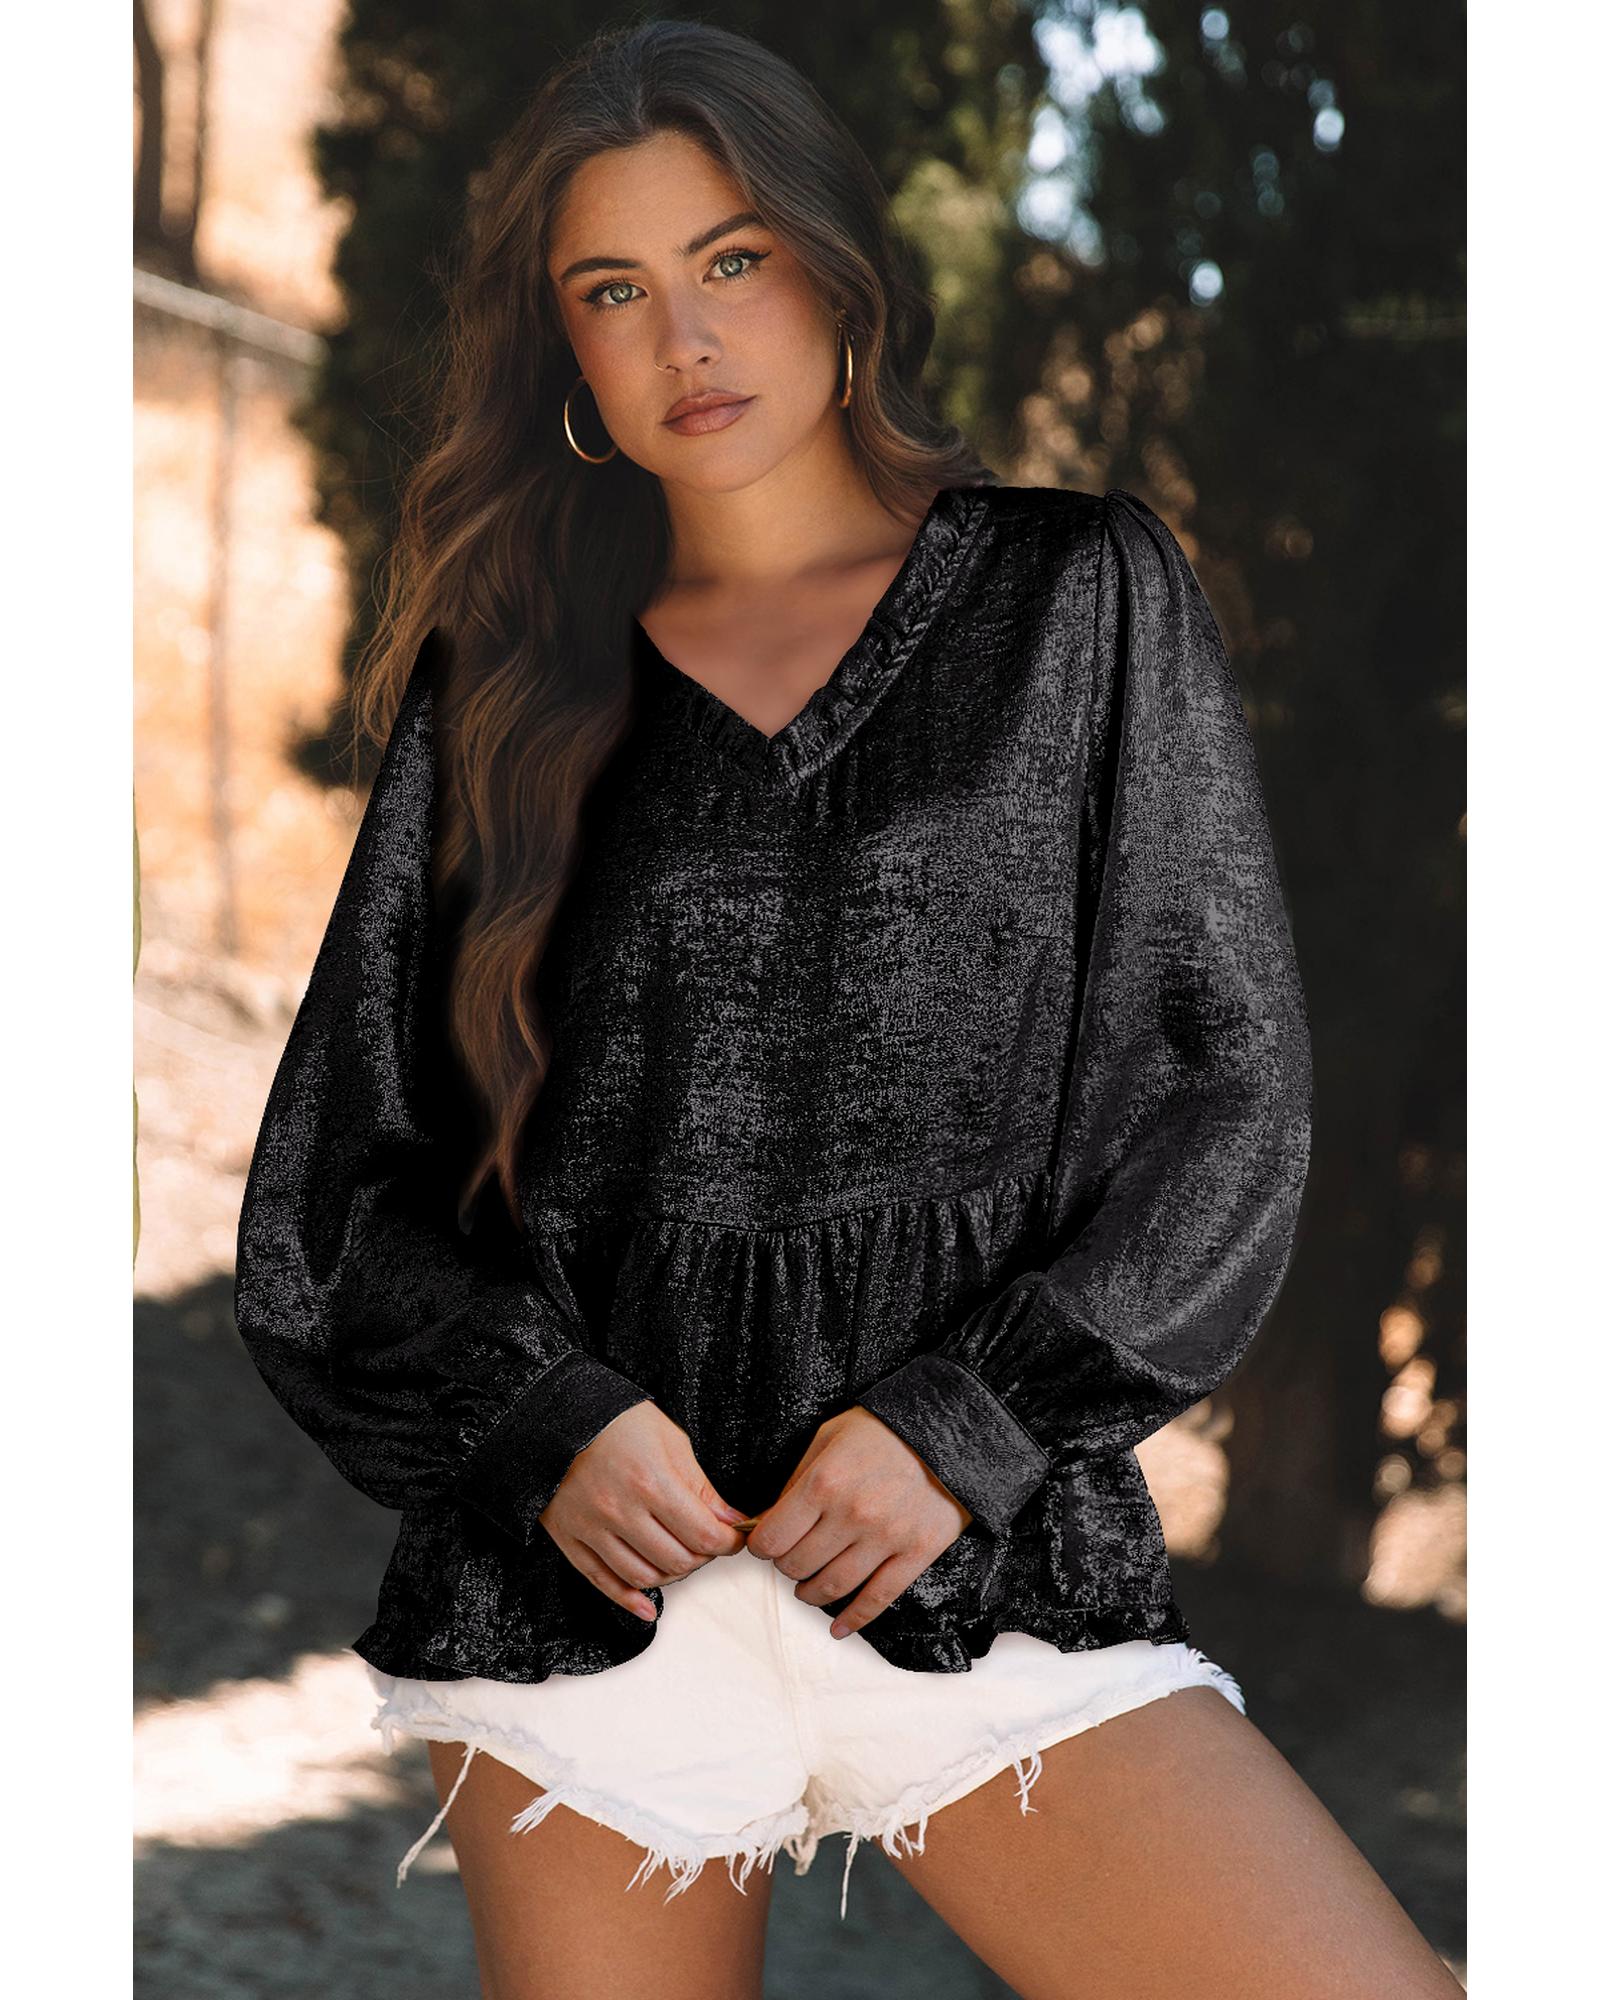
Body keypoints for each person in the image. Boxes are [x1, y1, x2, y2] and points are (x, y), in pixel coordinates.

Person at [232, 19, 1461, 2000]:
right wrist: (547, 1423)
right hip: (594, 1604)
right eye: (611, 291)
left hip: (982, 1568)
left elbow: (1224, 1092)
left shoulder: (1078, 597)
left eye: (729, 258)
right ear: (564, 355)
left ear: (835, 269)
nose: (683, 336)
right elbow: (335, 1194)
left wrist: (966, 1426)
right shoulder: (510, 683)